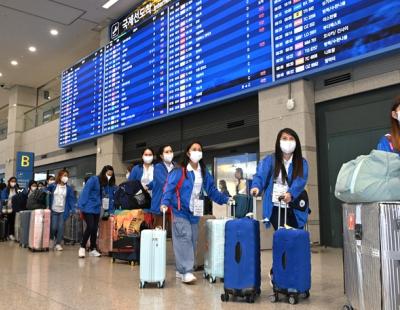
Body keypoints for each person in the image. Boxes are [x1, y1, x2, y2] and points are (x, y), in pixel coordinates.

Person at [161, 142, 230, 284]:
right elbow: (169, 187)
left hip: (195, 211)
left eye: (199, 149)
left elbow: (211, 191)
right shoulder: (179, 171)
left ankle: (180, 270)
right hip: (179, 210)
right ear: (188, 153)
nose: (197, 152)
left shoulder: (203, 172)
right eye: (194, 149)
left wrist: (225, 199)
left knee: (192, 239)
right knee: (184, 237)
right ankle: (186, 271)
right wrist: (164, 203)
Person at [250, 128, 309, 230]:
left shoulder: (301, 162)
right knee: (283, 234)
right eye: (284, 138)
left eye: (291, 139)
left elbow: (300, 181)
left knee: (295, 237)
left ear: (296, 143)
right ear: (279, 141)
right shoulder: (270, 160)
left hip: (295, 206)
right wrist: (256, 187)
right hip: (275, 206)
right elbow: (260, 175)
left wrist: (290, 194)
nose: (288, 141)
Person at [77, 165, 116, 258]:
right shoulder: (93, 179)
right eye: (108, 174)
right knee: (90, 227)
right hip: (88, 207)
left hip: (97, 208)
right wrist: (80, 206)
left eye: (111, 174)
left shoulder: (107, 185)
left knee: (94, 228)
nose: (109, 176)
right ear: (103, 173)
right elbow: (85, 192)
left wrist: (109, 211)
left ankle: (93, 248)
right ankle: (82, 247)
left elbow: (108, 198)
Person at [47, 169, 76, 251]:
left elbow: (71, 199)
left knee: (60, 228)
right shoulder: (53, 186)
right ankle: (52, 238)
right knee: (53, 227)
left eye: (67, 176)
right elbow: (45, 190)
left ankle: (58, 243)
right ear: (60, 176)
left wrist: (73, 209)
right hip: (54, 210)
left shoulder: (69, 188)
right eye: (64, 175)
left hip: (63, 211)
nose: (65, 177)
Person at [150, 145, 176, 228]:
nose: (169, 153)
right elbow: (164, 183)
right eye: (166, 152)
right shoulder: (158, 167)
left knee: (175, 232)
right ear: (161, 156)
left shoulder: (177, 166)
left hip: (174, 206)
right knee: (158, 231)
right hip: (160, 204)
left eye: (171, 151)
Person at [128, 148, 155, 225]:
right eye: (146, 154)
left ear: (153, 156)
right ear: (142, 156)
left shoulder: (157, 168)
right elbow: (130, 183)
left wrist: (148, 186)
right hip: (139, 197)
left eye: (150, 155)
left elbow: (158, 180)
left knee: (153, 220)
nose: (148, 156)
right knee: (141, 220)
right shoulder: (136, 168)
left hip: (154, 197)